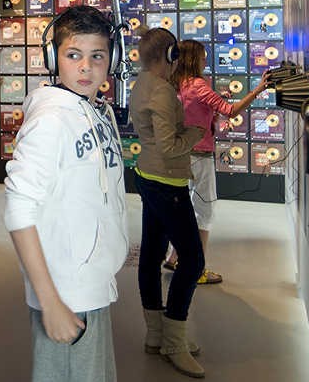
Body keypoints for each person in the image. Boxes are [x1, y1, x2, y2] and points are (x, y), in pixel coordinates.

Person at [4, 5, 126, 382]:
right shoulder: (50, 121)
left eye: (97, 56)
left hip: (92, 285)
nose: (86, 67)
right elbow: (18, 212)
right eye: (74, 55)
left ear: (112, 61)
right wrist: (50, 301)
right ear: (53, 58)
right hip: (67, 294)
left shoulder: (91, 109)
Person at [129, 27, 206, 378]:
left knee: (151, 255)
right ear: (171, 55)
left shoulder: (142, 83)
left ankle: (157, 334)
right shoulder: (161, 92)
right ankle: (174, 339)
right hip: (167, 182)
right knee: (191, 259)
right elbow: (170, 146)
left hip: (148, 177)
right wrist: (197, 132)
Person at [163, 40, 270, 284]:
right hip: (199, 156)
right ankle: (197, 270)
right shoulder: (199, 85)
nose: (205, 61)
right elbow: (230, 111)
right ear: (193, 60)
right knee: (205, 212)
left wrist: (215, 101)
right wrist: (258, 90)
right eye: (202, 56)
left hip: (180, 154)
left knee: (185, 208)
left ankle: (173, 257)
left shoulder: (177, 84)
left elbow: (194, 110)